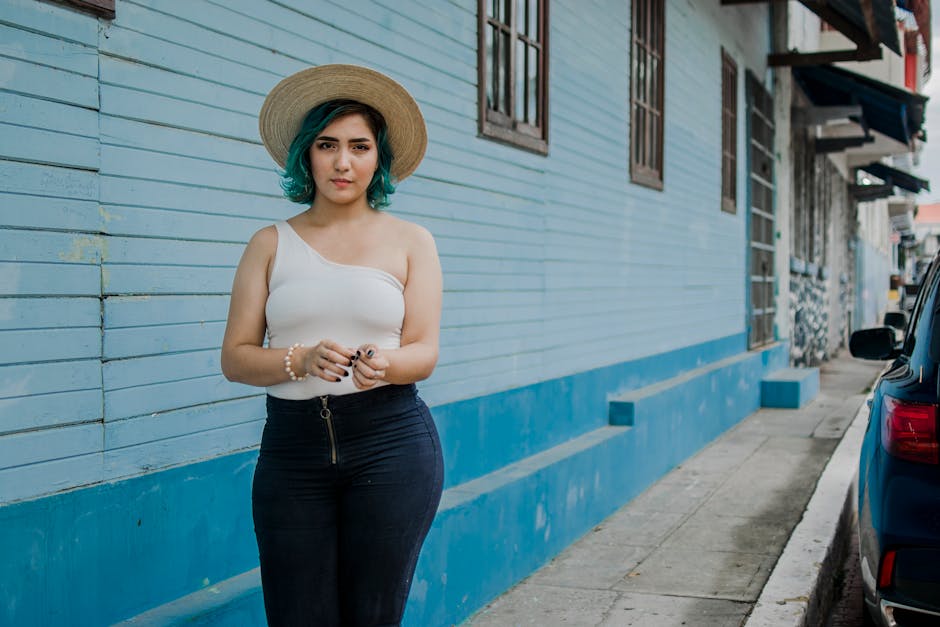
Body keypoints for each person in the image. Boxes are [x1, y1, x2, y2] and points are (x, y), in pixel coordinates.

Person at [221, 64, 444, 627]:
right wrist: (298, 359)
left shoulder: (412, 241)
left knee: (372, 616)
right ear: (307, 155)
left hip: (390, 444)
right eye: (327, 145)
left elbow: (425, 350)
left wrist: (387, 364)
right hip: (292, 455)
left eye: (359, 146)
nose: (343, 162)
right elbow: (236, 356)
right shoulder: (269, 244)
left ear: (379, 158)